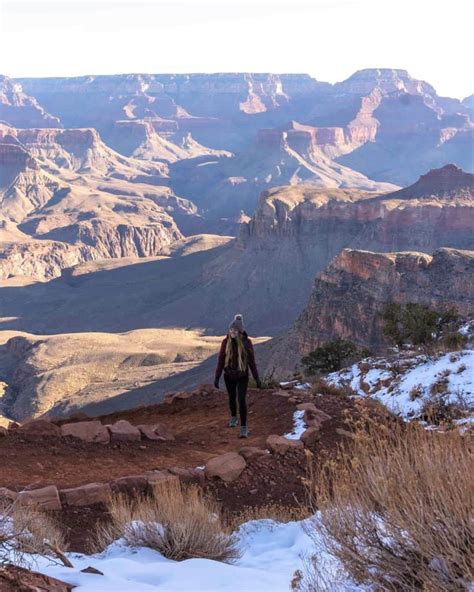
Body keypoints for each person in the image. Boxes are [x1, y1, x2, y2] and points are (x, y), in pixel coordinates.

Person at [214, 314, 262, 438]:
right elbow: (221, 359)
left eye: (234, 330)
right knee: (231, 397)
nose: (232, 332)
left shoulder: (247, 343)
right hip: (229, 375)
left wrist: (256, 378)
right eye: (230, 330)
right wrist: (217, 377)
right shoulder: (225, 342)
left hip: (242, 376)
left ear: (240, 331)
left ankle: (244, 427)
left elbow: (251, 361)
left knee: (241, 400)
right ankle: (234, 417)